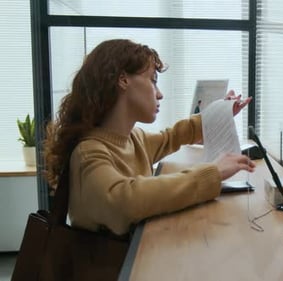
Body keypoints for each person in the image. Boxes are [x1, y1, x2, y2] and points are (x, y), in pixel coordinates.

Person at [43, 39, 255, 238]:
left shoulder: (132, 138)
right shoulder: (89, 152)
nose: (159, 93)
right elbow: (126, 201)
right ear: (123, 80)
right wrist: (213, 173)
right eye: (153, 80)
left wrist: (216, 114)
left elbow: (169, 138)